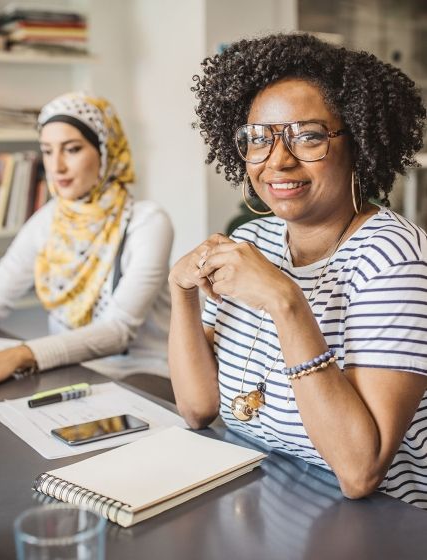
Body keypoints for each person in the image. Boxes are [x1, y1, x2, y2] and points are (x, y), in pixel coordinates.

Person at [168, 33, 427, 508]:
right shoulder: (252, 241)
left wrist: (286, 302)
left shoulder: (393, 257)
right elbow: (198, 408)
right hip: (269, 502)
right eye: (260, 139)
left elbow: (360, 471)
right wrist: (180, 292)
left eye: (308, 136)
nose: (278, 161)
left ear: (359, 142)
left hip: (381, 528)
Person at [0, 91, 173, 395]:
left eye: (72, 149)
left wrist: (20, 355)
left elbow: (118, 330)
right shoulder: (48, 219)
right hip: (71, 372)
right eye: (47, 151)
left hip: (141, 374)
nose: (56, 166)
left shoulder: (147, 222)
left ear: (105, 152)